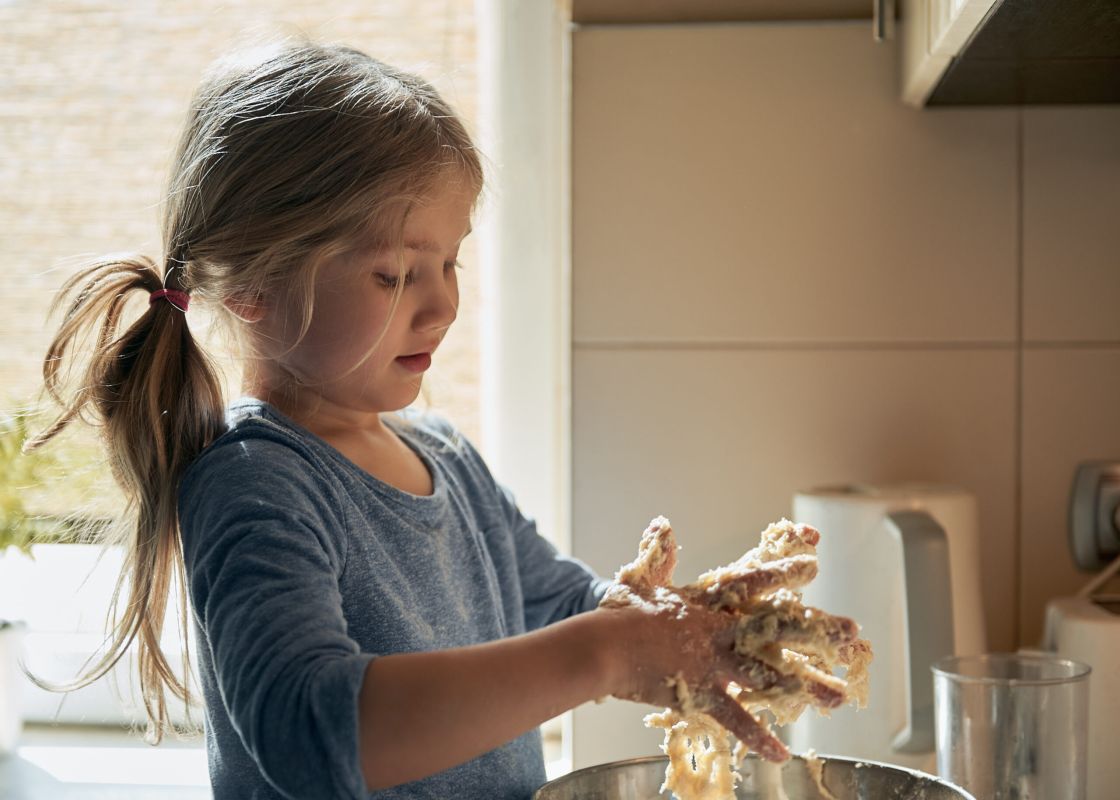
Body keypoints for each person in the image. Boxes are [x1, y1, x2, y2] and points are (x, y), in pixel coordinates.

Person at [27, 39, 783, 799]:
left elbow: (560, 604)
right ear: (253, 289)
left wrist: (681, 626)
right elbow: (308, 730)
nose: (444, 304)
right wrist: (607, 652)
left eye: (450, 263)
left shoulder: (447, 457)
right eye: (394, 275)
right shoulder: (257, 482)